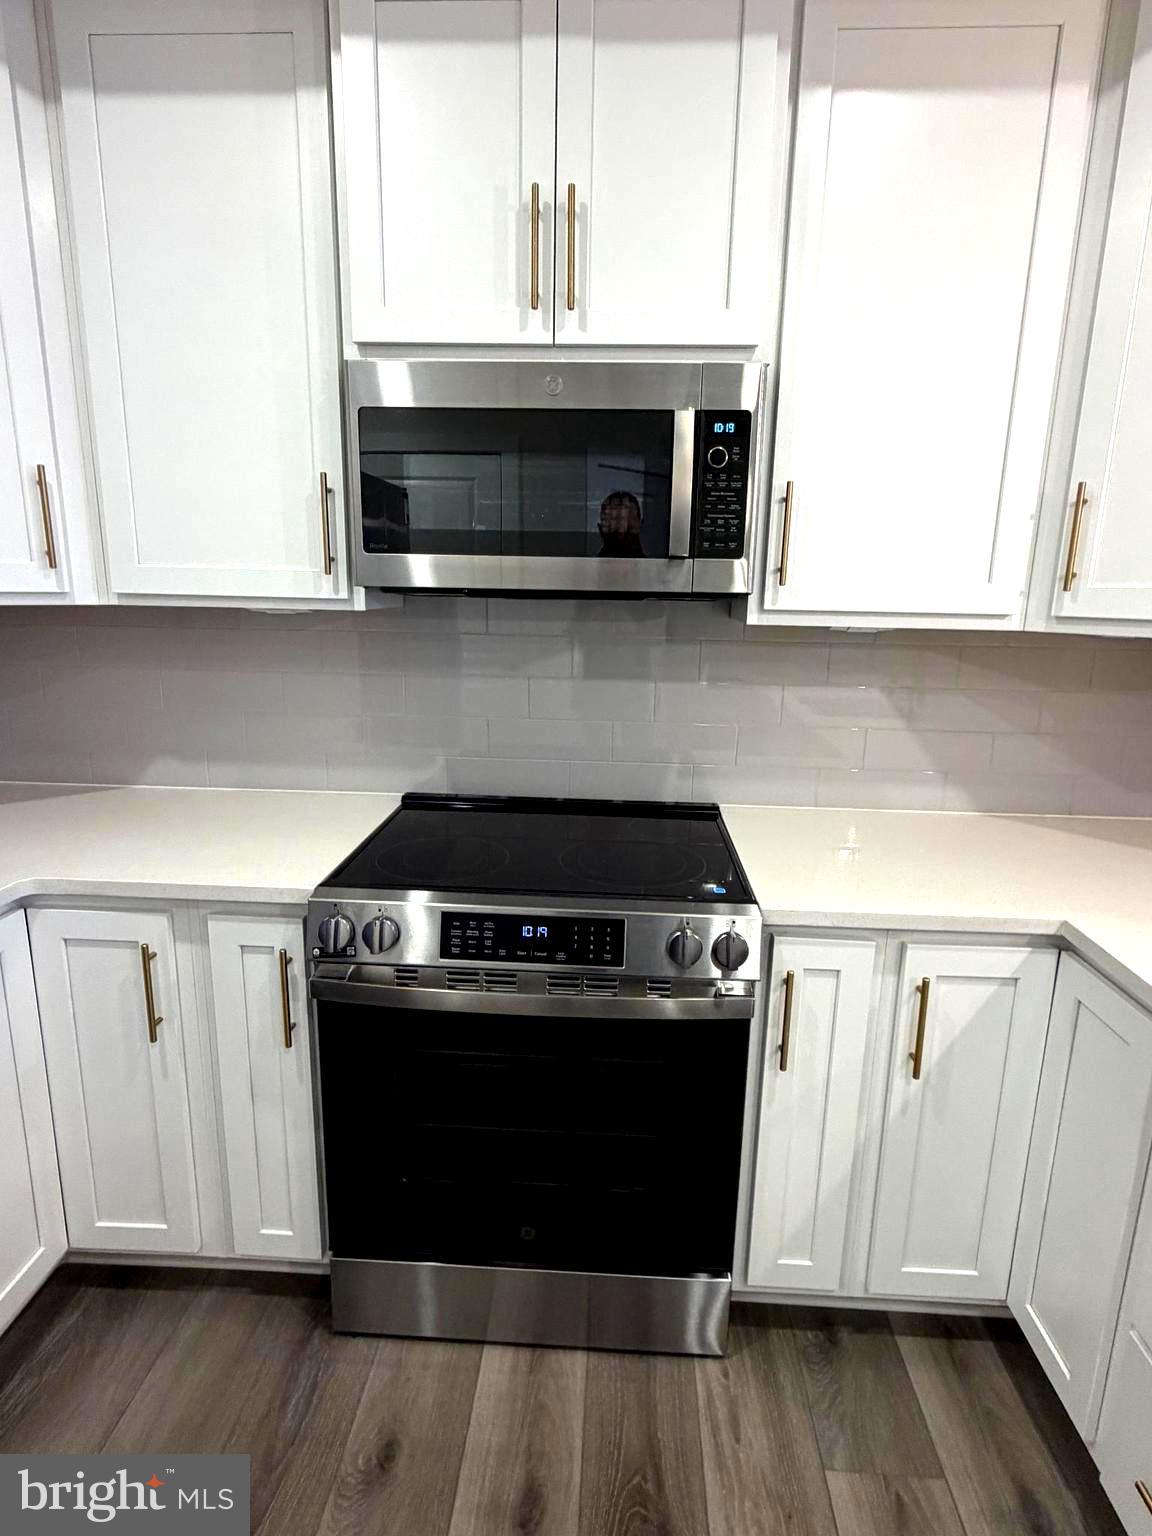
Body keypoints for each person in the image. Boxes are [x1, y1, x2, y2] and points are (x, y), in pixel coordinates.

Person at [598, 489, 645, 558]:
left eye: (628, 522)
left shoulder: (650, 566)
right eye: (614, 519)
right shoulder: (591, 565)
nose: (621, 530)